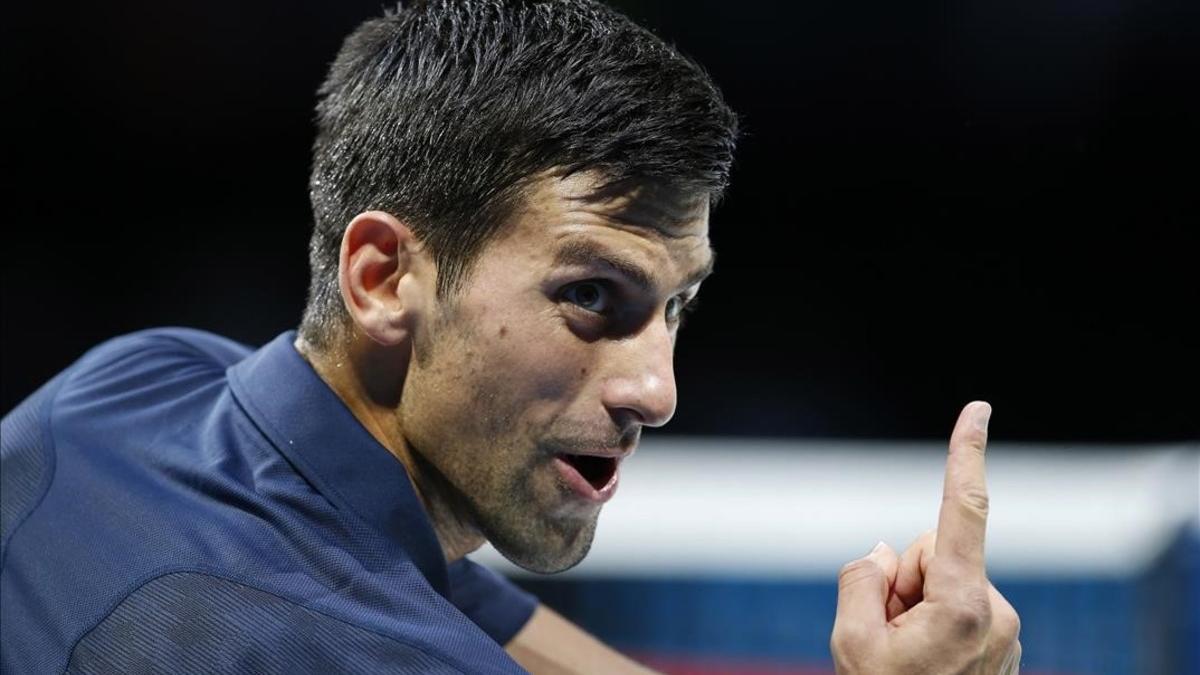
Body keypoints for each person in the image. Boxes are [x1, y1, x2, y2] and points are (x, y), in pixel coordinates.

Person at [0, 0, 1020, 673]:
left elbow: (469, 613)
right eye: (590, 297)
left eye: (677, 307)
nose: (655, 391)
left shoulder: (138, 382)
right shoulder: (352, 649)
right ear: (384, 277)